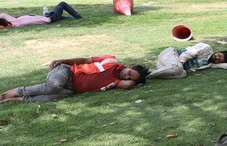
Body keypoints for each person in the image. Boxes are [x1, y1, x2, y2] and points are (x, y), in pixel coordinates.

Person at [1, 55, 147, 103]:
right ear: (130, 66)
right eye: (130, 72)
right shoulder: (110, 59)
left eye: (130, 78)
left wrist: (136, 81)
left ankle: (19, 100)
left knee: (58, 95)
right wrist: (64, 60)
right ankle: (16, 92)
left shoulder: (116, 82)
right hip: (66, 71)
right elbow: (85, 59)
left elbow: (128, 85)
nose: (127, 76)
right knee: (54, 86)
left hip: (70, 89)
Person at [148, 42, 227, 79]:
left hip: (169, 65)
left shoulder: (210, 64)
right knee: (179, 69)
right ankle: (148, 76)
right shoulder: (206, 48)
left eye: (219, 60)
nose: (217, 58)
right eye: (219, 55)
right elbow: (188, 53)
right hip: (170, 54)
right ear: (218, 51)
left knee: (182, 75)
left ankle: (151, 72)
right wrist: (179, 64)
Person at [0, 1, 83, 28]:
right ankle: (79, 17)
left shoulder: (15, 21)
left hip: (46, 16)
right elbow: (3, 15)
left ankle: (65, 18)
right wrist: (48, 19)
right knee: (62, 4)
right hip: (50, 18)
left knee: (64, 18)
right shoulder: (16, 22)